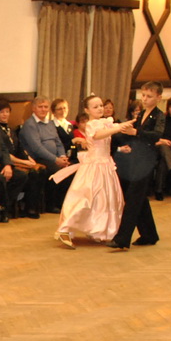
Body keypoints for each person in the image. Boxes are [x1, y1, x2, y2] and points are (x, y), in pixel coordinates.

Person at [50, 95, 128, 248]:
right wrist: (118, 128)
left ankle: (99, 230)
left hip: (106, 165)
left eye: (101, 106)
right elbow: (98, 135)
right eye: (95, 107)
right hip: (94, 166)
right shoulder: (91, 125)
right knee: (85, 198)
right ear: (87, 110)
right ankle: (65, 229)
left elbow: (114, 134)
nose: (100, 109)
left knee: (104, 200)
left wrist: (127, 127)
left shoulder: (106, 122)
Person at [109, 81, 164, 250]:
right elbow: (133, 135)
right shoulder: (141, 115)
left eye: (149, 96)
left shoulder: (159, 115)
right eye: (144, 95)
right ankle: (149, 234)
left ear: (159, 98)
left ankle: (122, 239)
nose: (145, 99)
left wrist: (136, 132)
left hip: (147, 161)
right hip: (135, 160)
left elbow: (157, 135)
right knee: (139, 198)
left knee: (133, 199)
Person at [20, 96, 72, 213]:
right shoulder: (30, 125)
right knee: (55, 170)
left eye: (45, 107)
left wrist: (62, 156)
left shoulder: (50, 123)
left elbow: (58, 143)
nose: (43, 109)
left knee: (70, 169)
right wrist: (56, 160)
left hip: (54, 158)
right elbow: (37, 148)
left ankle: (62, 203)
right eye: (40, 107)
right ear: (34, 108)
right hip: (38, 158)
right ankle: (50, 204)